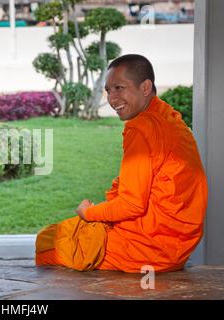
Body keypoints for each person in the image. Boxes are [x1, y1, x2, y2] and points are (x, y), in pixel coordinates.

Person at [35, 54, 208, 272]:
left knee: (47, 242)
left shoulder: (140, 128)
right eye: (108, 91)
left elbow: (131, 204)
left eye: (119, 88)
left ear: (145, 87)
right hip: (178, 245)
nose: (112, 99)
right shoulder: (167, 116)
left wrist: (88, 213)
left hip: (148, 249)